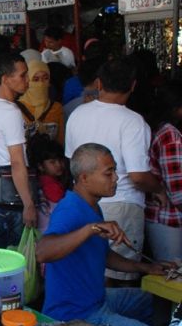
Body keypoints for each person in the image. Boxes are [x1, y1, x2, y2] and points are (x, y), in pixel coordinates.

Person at [36, 143, 172, 326]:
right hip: (76, 316)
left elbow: (103, 255)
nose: (116, 178)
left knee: (151, 300)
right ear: (84, 178)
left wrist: (145, 267)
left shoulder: (92, 205)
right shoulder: (70, 209)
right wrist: (90, 229)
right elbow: (42, 252)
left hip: (98, 299)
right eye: (109, 173)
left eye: (114, 171)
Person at [65, 59, 164, 284]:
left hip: (83, 201)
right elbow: (138, 176)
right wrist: (159, 190)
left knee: (90, 269)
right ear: (133, 85)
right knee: (119, 276)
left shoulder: (78, 114)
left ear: (99, 83)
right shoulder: (133, 121)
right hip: (122, 204)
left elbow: (73, 161)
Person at [0, 52, 37, 248]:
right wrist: (29, 204)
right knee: (16, 252)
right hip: (11, 190)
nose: (27, 80)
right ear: (5, 79)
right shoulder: (10, 112)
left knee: (2, 250)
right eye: (22, 75)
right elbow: (17, 161)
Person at [146, 81, 182, 262]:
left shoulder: (155, 128)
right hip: (169, 217)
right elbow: (177, 190)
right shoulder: (170, 135)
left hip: (159, 215)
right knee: (172, 276)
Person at [17, 60, 65, 144]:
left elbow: (60, 141)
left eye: (45, 78)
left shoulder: (56, 107)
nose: (41, 83)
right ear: (27, 81)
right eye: (35, 79)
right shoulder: (16, 108)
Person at [28, 134, 68, 233]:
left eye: (60, 160)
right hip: (52, 232)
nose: (59, 165)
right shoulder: (51, 185)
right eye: (52, 162)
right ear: (41, 166)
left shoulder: (38, 181)